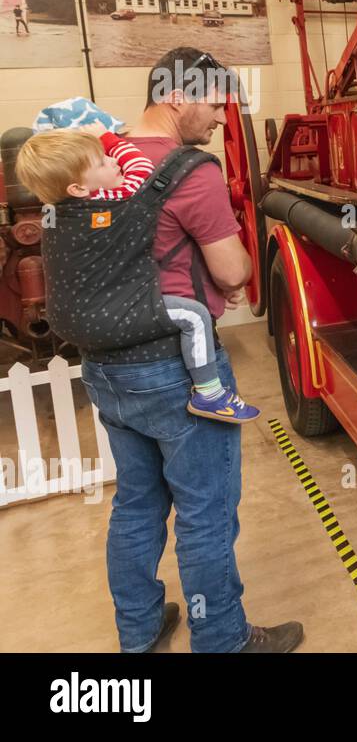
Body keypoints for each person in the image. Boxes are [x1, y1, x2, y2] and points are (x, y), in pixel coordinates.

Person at [74, 47, 302, 653]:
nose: (220, 119)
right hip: (180, 367)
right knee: (205, 512)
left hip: (106, 366)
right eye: (212, 103)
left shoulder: (97, 155)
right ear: (177, 96)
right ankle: (224, 640)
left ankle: (140, 631)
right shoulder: (187, 170)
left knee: (137, 505)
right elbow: (231, 275)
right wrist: (250, 257)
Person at [14, 124, 261, 422]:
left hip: (75, 328)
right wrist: (109, 138)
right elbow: (140, 166)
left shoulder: (53, 212)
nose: (113, 161)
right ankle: (209, 393)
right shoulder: (116, 201)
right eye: (103, 161)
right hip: (116, 319)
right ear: (79, 188)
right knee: (194, 316)